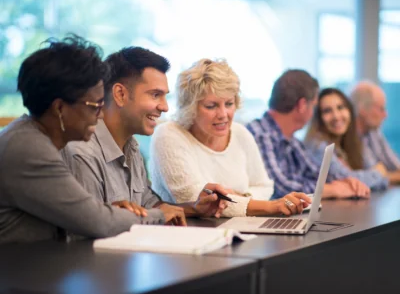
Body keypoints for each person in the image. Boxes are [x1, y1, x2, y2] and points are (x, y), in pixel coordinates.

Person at [0, 35, 182, 245]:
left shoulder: (34, 138)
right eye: (94, 106)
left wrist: (112, 212)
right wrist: (158, 217)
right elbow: (97, 222)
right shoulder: (28, 149)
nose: (101, 114)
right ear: (60, 108)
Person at [62, 47, 227, 222]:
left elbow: (150, 206)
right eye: (155, 95)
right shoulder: (82, 152)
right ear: (120, 94)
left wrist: (194, 208)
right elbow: (91, 226)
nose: (165, 107)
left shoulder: (131, 147)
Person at [150, 59, 311, 217]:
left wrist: (243, 198)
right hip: (187, 234)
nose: (223, 115)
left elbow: (264, 185)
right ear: (190, 108)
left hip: (238, 229)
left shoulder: (239, 132)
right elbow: (196, 200)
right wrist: (270, 206)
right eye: (211, 106)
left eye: (229, 104)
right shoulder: (168, 134)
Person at [246, 69, 370, 200]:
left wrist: (347, 182)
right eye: (313, 106)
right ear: (302, 105)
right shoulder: (261, 135)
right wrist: (332, 189)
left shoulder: (292, 141)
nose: (313, 114)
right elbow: (278, 188)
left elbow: (317, 174)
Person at [304, 87, 388, 191]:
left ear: (350, 111)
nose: (336, 116)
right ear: (318, 118)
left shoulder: (352, 141)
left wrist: (376, 176)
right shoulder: (317, 145)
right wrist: (378, 173)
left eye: (340, 107)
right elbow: (347, 179)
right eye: (327, 111)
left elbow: (384, 181)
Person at [350, 81, 400, 184]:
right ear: (362, 109)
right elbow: (375, 177)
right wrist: (383, 174)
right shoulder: (349, 137)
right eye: (381, 109)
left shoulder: (374, 132)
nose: (385, 115)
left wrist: (385, 174)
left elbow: (395, 166)